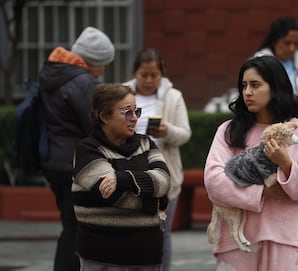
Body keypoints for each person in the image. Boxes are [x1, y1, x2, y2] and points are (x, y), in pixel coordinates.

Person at [204, 55, 298, 271]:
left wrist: (286, 164)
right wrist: (261, 193)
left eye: (255, 85)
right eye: (244, 85)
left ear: (275, 89)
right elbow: (213, 181)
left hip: (284, 238)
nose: (247, 92)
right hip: (235, 241)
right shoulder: (228, 131)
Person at [39, 26, 114, 271]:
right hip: (75, 164)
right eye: (102, 64)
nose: (103, 70)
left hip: (54, 160)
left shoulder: (55, 73)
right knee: (77, 228)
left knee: (70, 225)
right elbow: (96, 124)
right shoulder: (82, 82)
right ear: (92, 60)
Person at [72, 83, 171, 270]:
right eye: (127, 112)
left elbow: (164, 181)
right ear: (104, 117)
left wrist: (124, 178)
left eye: (136, 111)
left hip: (147, 256)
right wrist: (156, 203)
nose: (134, 118)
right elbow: (113, 195)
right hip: (103, 256)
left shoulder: (146, 143)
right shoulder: (87, 150)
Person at [124, 48, 192, 271]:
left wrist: (167, 131)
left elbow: (185, 133)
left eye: (154, 75)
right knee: (130, 232)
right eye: (144, 74)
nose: (149, 80)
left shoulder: (173, 97)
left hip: (165, 174)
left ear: (162, 74)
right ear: (135, 73)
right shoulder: (122, 94)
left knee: (162, 232)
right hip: (129, 173)